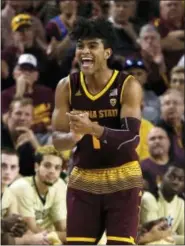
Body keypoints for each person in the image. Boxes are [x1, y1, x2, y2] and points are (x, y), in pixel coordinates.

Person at [52, 17, 143, 245]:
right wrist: (73, 136)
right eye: (81, 46)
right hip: (84, 178)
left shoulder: (127, 85)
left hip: (123, 177)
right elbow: (56, 140)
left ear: (107, 52)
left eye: (93, 46)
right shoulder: (66, 86)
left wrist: (92, 128)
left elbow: (132, 139)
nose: (84, 51)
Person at [9, 145, 67, 243]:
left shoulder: (59, 184)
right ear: (36, 167)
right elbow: (33, 231)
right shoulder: (23, 188)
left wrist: (58, 235)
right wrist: (57, 235)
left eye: (57, 168)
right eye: (47, 165)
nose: (52, 171)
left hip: (47, 238)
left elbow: (62, 227)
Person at [140, 163, 185, 245]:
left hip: (167, 241)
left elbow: (183, 234)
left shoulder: (181, 203)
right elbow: (153, 236)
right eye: (172, 177)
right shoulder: (149, 198)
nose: (176, 182)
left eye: (181, 179)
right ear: (160, 178)